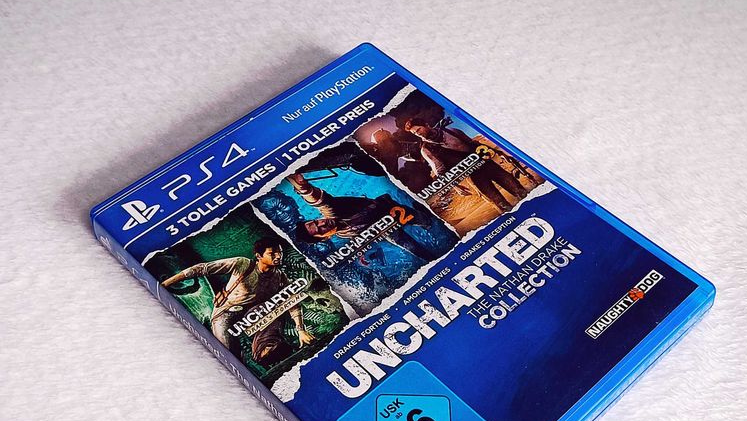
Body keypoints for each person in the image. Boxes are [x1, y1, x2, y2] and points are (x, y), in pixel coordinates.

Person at [161, 237, 314, 364]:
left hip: (253, 315)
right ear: (259, 256)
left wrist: (300, 330)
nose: (278, 256)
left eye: (279, 252)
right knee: (230, 355)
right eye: (272, 253)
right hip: (226, 314)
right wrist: (166, 284)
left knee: (274, 307)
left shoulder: (280, 277)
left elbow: (292, 301)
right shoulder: (243, 264)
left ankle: (266, 349)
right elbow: (202, 268)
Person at [286, 172, 442, 262]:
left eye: (316, 221)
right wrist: (361, 254)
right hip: (386, 230)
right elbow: (360, 240)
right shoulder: (342, 234)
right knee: (415, 250)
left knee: (426, 221)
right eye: (320, 230)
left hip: (391, 210)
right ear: (325, 238)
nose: (322, 223)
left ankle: (426, 216)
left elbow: (322, 203)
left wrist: (304, 188)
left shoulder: (334, 212)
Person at [403, 117, 532, 212]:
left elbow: (474, 144)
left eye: (418, 129)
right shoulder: (426, 150)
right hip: (474, 177)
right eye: (415, 133)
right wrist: (456, 187)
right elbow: (441, 171)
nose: (418, 133)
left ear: (426, 125)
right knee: (502, 206)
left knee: (520, 191)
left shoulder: (452, 131)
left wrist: (499, 153)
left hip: (488, 165)